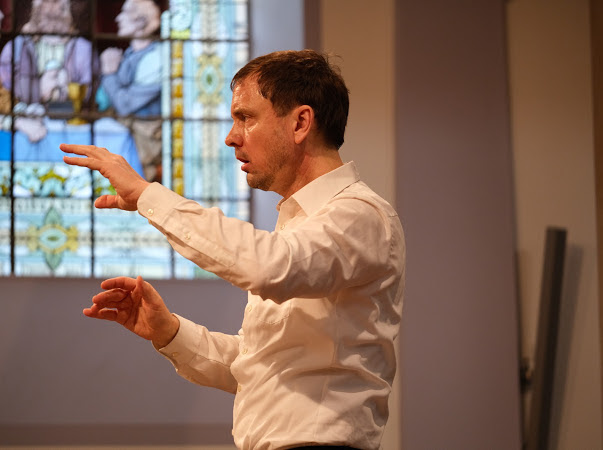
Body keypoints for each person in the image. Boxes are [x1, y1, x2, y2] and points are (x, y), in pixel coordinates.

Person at [61, 49, 405, 450]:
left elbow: (269, 267)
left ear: (300, 123)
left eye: (245, 118)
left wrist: (146, 195)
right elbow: (257, 364)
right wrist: (169, 331)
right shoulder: (300, 226)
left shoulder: (361, 215)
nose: (231, 137)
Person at [0, 0, 96, 143]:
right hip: (25, 135)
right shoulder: (15, 48)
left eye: (59, 5)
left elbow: (91, 99)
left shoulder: (84, 49)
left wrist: (66, 91)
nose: (52, 9)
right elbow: (4, 97)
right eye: (46, 3)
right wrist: (39, 91)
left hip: (73, 133)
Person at [95, 0, 162, 181]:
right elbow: (103, 101)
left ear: (141, 21)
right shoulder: (127, 55)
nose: (118, 18)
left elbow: (125, 105)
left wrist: (109, 74)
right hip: (125, 136)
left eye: (124, 13)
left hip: (144, 142)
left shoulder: (155, 58)